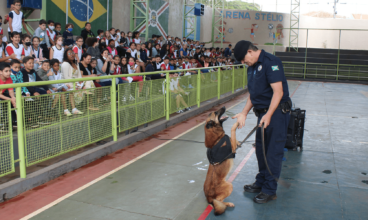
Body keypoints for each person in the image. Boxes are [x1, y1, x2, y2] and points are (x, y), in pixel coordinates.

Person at [232, 40, 291, 204]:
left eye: (244, 60)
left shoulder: (271, 62)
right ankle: (261, 181)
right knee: (261, 150)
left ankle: (270, 190)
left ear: (250, 52)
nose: (244, 63)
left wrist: (269, 114)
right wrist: (244, 112)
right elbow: (253, 93)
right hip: (263, 114)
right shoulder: (252, 67)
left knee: (273, 152)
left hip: (276, 113)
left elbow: (278, 92)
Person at [60, 48, 85, 115]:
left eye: (73, 53)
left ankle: (74, 109)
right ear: (66, 55)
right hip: (67, 83)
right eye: (69, 53)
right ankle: (67, 110)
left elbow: (79, 75)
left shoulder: (76, 63)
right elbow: (67, 78)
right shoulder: (65, 64)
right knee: (70, 90)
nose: (72, 54)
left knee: (88, 84)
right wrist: (76, 84)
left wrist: (81, 83)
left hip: (75, 83)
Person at [0, 62, 17, 126]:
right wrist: (10, 99)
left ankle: (13, 121)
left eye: (9, 71)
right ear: (0, 72)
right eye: (6, 71)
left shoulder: (9, 78)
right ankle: (4, 123)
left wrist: (13, 98)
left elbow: (11, 91)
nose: (9, 73)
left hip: (2, 94)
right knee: (9, 100)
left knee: (13, 100)